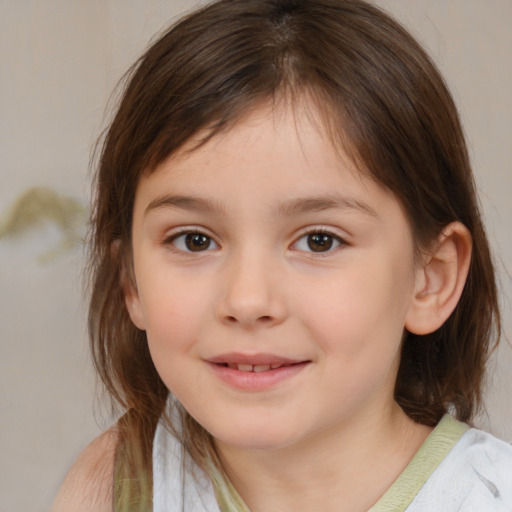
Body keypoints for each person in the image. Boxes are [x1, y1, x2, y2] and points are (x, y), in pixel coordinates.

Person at [51, 0, 512, 510]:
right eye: (194, 240)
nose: (248, 301)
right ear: (131, 281)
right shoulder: (117, 483)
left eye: (319, 240)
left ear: (430, 278)